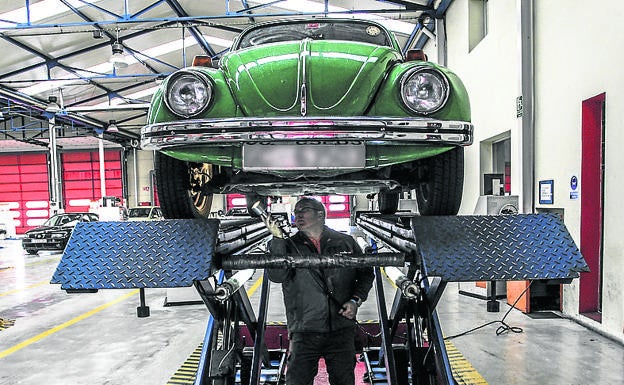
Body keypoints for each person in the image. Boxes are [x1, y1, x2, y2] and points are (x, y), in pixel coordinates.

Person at [264, 197, 374, 385]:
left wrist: (356, 300)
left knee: (344, 381)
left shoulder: (345, 242)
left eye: (303, 210)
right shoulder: (287, 245)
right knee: (297, 381)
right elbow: (277, 276)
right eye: (296, 212)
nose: (297, 215)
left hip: (341, 329)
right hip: (304, 330)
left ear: (321, 214)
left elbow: (366, 274)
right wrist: (277, 239)